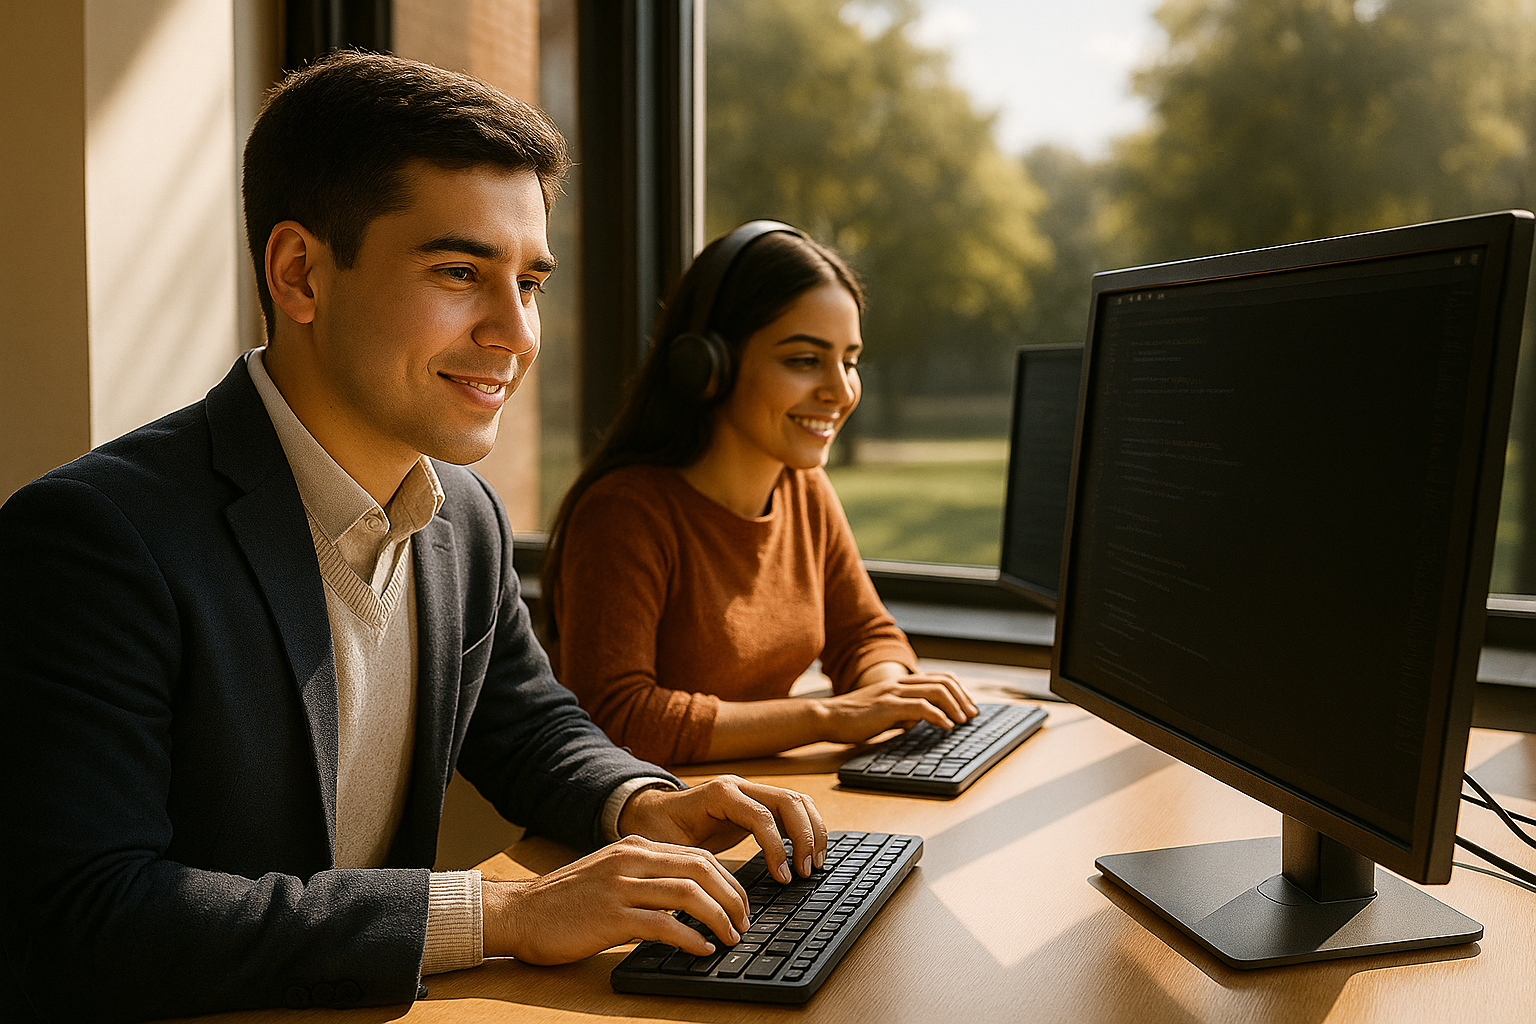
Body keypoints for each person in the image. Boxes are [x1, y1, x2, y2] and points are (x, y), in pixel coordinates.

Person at [0, 53, 826, 1024]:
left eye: (531, 284)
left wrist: (642, 802)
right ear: (300, 273)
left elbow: (529, 728)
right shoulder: (95, 539)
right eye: (459, 272)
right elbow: (89, 915)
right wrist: (501, 912)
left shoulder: (462, 515)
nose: (515, 333)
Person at [542, 222, 979, 768]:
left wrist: (887, 696)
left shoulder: (803, 489)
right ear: (707, 365)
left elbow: (866, 635)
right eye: (803, 360)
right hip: (657, 831)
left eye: (850, 360)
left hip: (771, 805)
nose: (840, 391)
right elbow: (617, 717)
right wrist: (833, 716)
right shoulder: (624, 513)